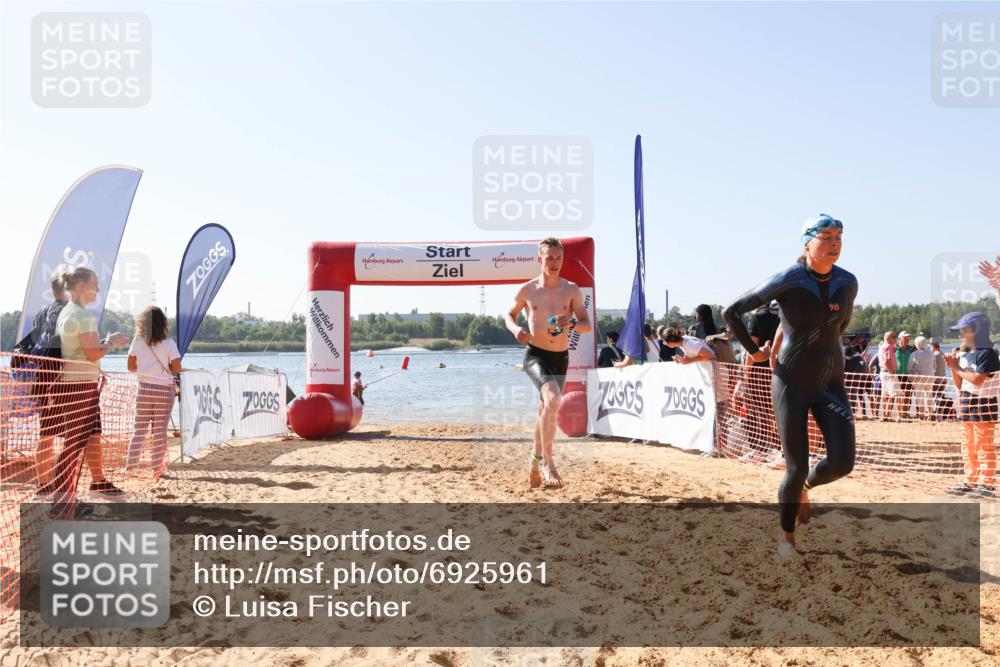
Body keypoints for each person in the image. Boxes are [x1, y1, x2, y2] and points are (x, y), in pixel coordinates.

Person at [722, 214, 858, 556]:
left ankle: (806, 488)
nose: (834, 243)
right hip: (790, 383)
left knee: (842, 462)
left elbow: (837, 327)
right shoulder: (789, 279)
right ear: (807, 242)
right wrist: (753, 352)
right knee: (794, 467)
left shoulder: (848, 282)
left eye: (839, 236)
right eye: (825, 236)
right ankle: (786, 538)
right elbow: (732, 312)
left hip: (830, 383)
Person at [36, 267, 131, 500]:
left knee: (88, 435)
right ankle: (63, 495)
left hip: (70, 384)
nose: (98, 289)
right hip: (80, 386)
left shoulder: (67, 312)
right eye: (95, 283)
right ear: (82, 287)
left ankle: (93, 484)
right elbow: (92, 354)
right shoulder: (82, 315)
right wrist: (111, 344)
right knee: (74, 442)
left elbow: (78, 350)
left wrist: (103, 343)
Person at [505, 237, 591, 489]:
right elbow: (509, 315)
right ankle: (548, 463)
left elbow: (586, 325)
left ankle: (533, 460)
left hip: (561, 357)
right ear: (540, 259)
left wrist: (573, 323)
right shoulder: (528, 290)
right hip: (535, 355)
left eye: (559, 258)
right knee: (554, 401)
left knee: (545, 410)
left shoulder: (572, 289)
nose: (555, 263)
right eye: (550, 258)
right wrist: (515, 329)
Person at [944, 312, 999, 498]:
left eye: (964, 331)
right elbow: (960, 385)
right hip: (967, 406)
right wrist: (953, 366)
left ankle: (987, 484)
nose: (961, 336)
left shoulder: (988, 354)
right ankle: (971, 480)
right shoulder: (967, 354)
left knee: (984, 446)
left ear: (977, 331)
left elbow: (977, 379)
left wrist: (956, 367)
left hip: (984, 407)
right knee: (968, 446)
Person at [126, 306, 181, 478]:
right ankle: (156, 468)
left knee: (139, 430)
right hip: (164, 389)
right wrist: (165, 369)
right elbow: (177, 367)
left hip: (144, 388)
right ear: (162, 323)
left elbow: (130, 366)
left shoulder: (137, 341)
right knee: (159, 431)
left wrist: (145, 371)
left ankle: (130, 466)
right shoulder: (169, 343)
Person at [908, 336, 936, 420]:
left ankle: (922, 415)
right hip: (930, 377)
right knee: (929, 396)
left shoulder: (914, 354)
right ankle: (930, 414)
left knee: (919, 397)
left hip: (918, 378)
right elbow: (934, 366)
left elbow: (909, 367)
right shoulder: (931, 353)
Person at [878, 332, 899, 421]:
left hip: (883, 373)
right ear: (889, 338)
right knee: (893, 395)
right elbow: (887, 360)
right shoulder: (888, 347)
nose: (895, 339)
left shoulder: (882, 347)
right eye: (894, 337)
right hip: (889, 373)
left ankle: (884, 415)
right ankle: (888, 415)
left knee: (884, 394)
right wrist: (892, 372)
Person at [895, 331, 916, 420]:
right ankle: (899, 414)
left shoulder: (911, 349)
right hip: (897, 375)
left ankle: (905, 413)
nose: (907, 340)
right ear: (899, 339)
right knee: (898, 395)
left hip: (908, 375)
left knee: (907, 394)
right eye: (905, 338)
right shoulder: (894, 349)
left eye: (908, 338)